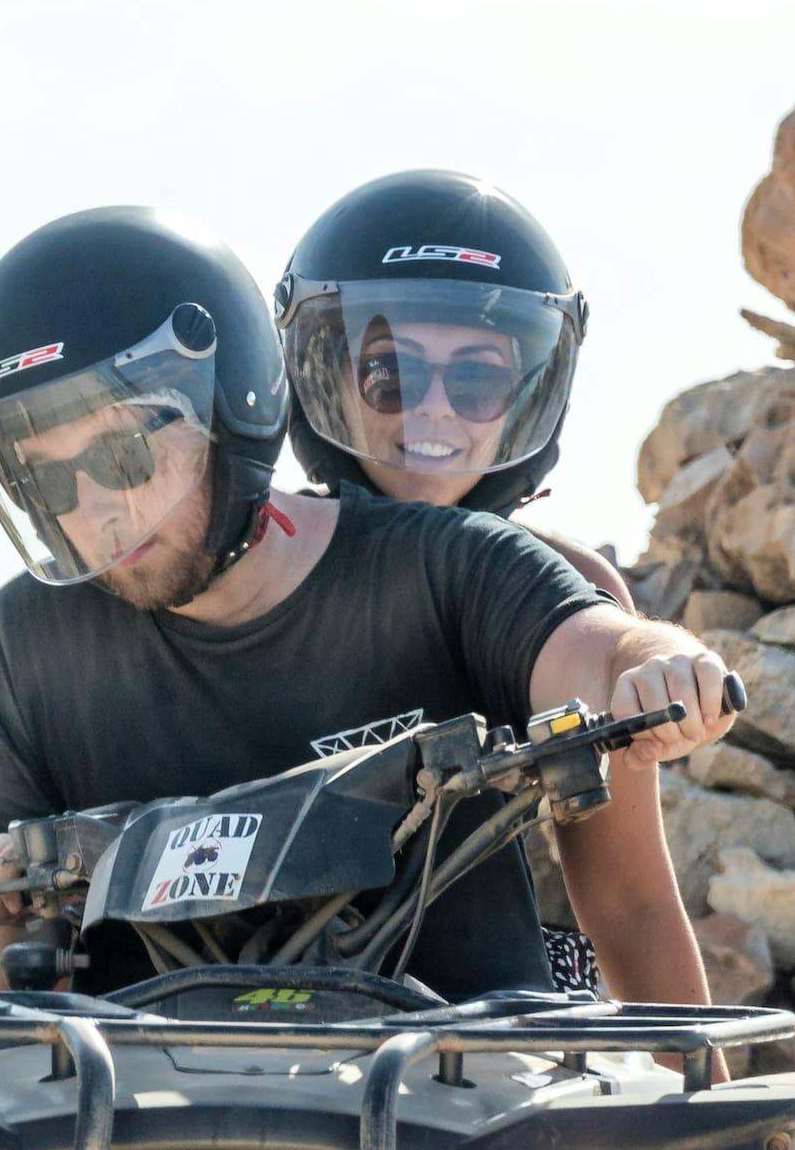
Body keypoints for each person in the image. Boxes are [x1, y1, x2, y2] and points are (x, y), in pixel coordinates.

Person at [0, 203, 735, 1000]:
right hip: (134, 1112)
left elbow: (594, 647)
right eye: (47, 478)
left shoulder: (455, 563)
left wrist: (655, 662)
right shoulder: (17, 649)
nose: (96, 505)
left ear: (231, 399)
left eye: (127, 451)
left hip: (465, 1099)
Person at [270, 169, 702, 1002]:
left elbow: (631, 902)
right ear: (325, 375)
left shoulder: (569, 586)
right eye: (391, 374)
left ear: (524, 394)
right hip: (263, 1030)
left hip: (507, 1042)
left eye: (475, 381)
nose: (434, 412)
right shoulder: (259, 573)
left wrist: (711, 1121)